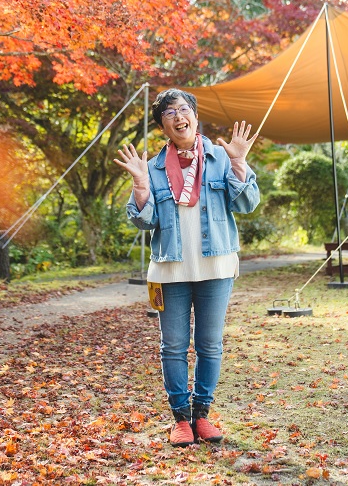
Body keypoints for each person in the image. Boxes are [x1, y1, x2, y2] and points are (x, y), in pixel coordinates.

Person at [114, 88, 260, 447]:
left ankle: (203, 416)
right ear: (163, 125)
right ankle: (180, 419)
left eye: (184, 109)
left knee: (210, 345)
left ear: (195, 116)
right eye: (169, 113)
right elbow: (145, 222)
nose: (179, 116)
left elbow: (248, 204)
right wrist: (139, 185)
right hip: (170, 269)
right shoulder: (152, 168)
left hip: (217, 266)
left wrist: (240, 163)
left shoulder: (223, 158)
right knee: (173, 346)